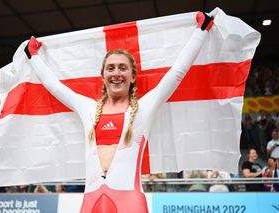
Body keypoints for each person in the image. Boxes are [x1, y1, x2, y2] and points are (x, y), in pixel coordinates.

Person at [25, 12, 213, 213]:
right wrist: (33, 55)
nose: (116, 74)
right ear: (103, 76)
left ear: (133, 77)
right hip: (91, 201)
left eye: (123, 68)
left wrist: (200, 32)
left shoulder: (143, 108)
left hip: (129, 202)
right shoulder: (87, 108)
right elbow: (54, 86)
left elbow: (176, 73)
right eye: (111, 68)